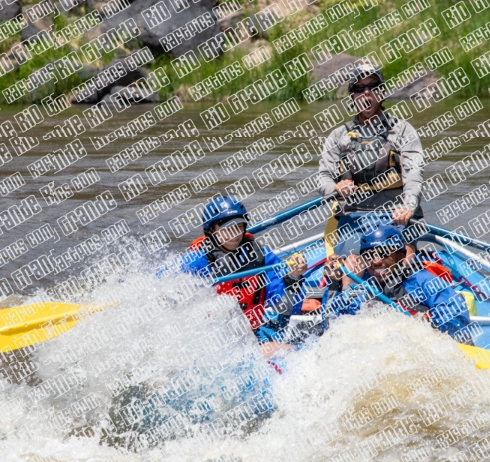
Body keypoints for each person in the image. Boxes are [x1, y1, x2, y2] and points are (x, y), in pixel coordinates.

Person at [318, 61, 425, 257]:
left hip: (396, 216)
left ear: (382, 92)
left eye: (373, 87)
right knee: (347, 267)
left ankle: (407, 260)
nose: (366, 92)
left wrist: (408, 208)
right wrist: (335, 188)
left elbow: (414, 177)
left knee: (401, 262)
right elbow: (323, 178)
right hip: (354, 216)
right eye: (360, 88)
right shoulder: (338, 137)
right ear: (352, 95)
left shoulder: (403, 132)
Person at [181, 197, 307, 342]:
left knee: (288, 349)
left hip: (252, 334)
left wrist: (293, 277)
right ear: (211, 231)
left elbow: (289, 309)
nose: (235, 234)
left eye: (238, 227)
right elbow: (161, 283)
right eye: (227, 229)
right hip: (211, 340)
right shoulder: (196, 262)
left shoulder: (261, 257)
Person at [323, 226, 472, 341]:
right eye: (369, 255)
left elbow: (456, 310)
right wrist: (335, 283)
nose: (376, 261)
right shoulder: (366, 289)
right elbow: (333, 321)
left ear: (400, 257)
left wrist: (426, 320)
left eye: (383, 254)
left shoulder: (422, 280)